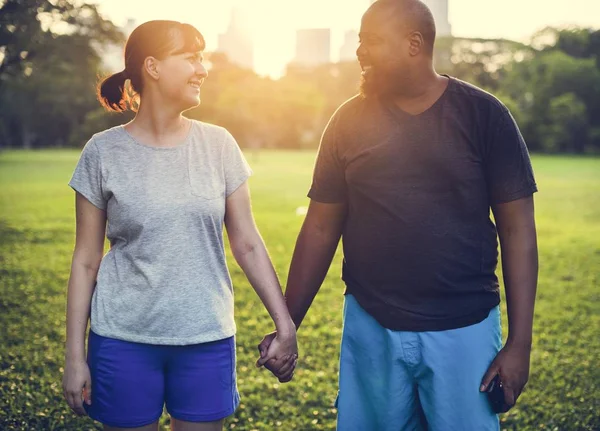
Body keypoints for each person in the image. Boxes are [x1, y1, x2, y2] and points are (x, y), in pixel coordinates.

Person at [257, 0, 538, 429]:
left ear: (414, 44)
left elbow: (517, 231)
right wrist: (288, 324)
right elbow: (319, 227)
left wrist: (520, 344)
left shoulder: (485, 115)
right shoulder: (348, 120)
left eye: (371, 40)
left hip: (463, 327)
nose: (360, 51)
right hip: (371, 325)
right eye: (358, 40)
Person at [62, 20, 297, 431]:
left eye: (202, 57)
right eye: (191, 57)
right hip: (122, 338)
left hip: (206, 338)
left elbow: (248, 244)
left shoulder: (219, 145)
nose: (202, 68)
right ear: (152, 67)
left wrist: (285, 324)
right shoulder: (102, 152)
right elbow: (85, 261)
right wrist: (74, 357)